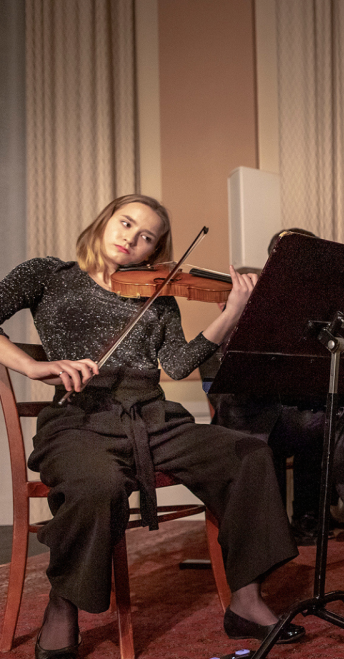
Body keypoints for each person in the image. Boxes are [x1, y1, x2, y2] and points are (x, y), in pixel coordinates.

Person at [0, 195, 306, 658]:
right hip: (79, 420)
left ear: (155, 250)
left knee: (249, 454)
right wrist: (30, 366)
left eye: (147, 237)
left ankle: (246, 600)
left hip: (154, 418)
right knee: (97, 485)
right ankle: (63, 604)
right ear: (105, 220)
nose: (132, 239)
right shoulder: (48, 274)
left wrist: (231, 314)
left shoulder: (157, 294)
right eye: (126, 224)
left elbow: (178, 364)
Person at [204, 228, 344, 559]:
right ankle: (267, 539)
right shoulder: (243, 306)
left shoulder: (312, 309)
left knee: (337, 422)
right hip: (246, 418)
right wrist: (239, 314)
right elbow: (229, 378)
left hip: (287, 416)